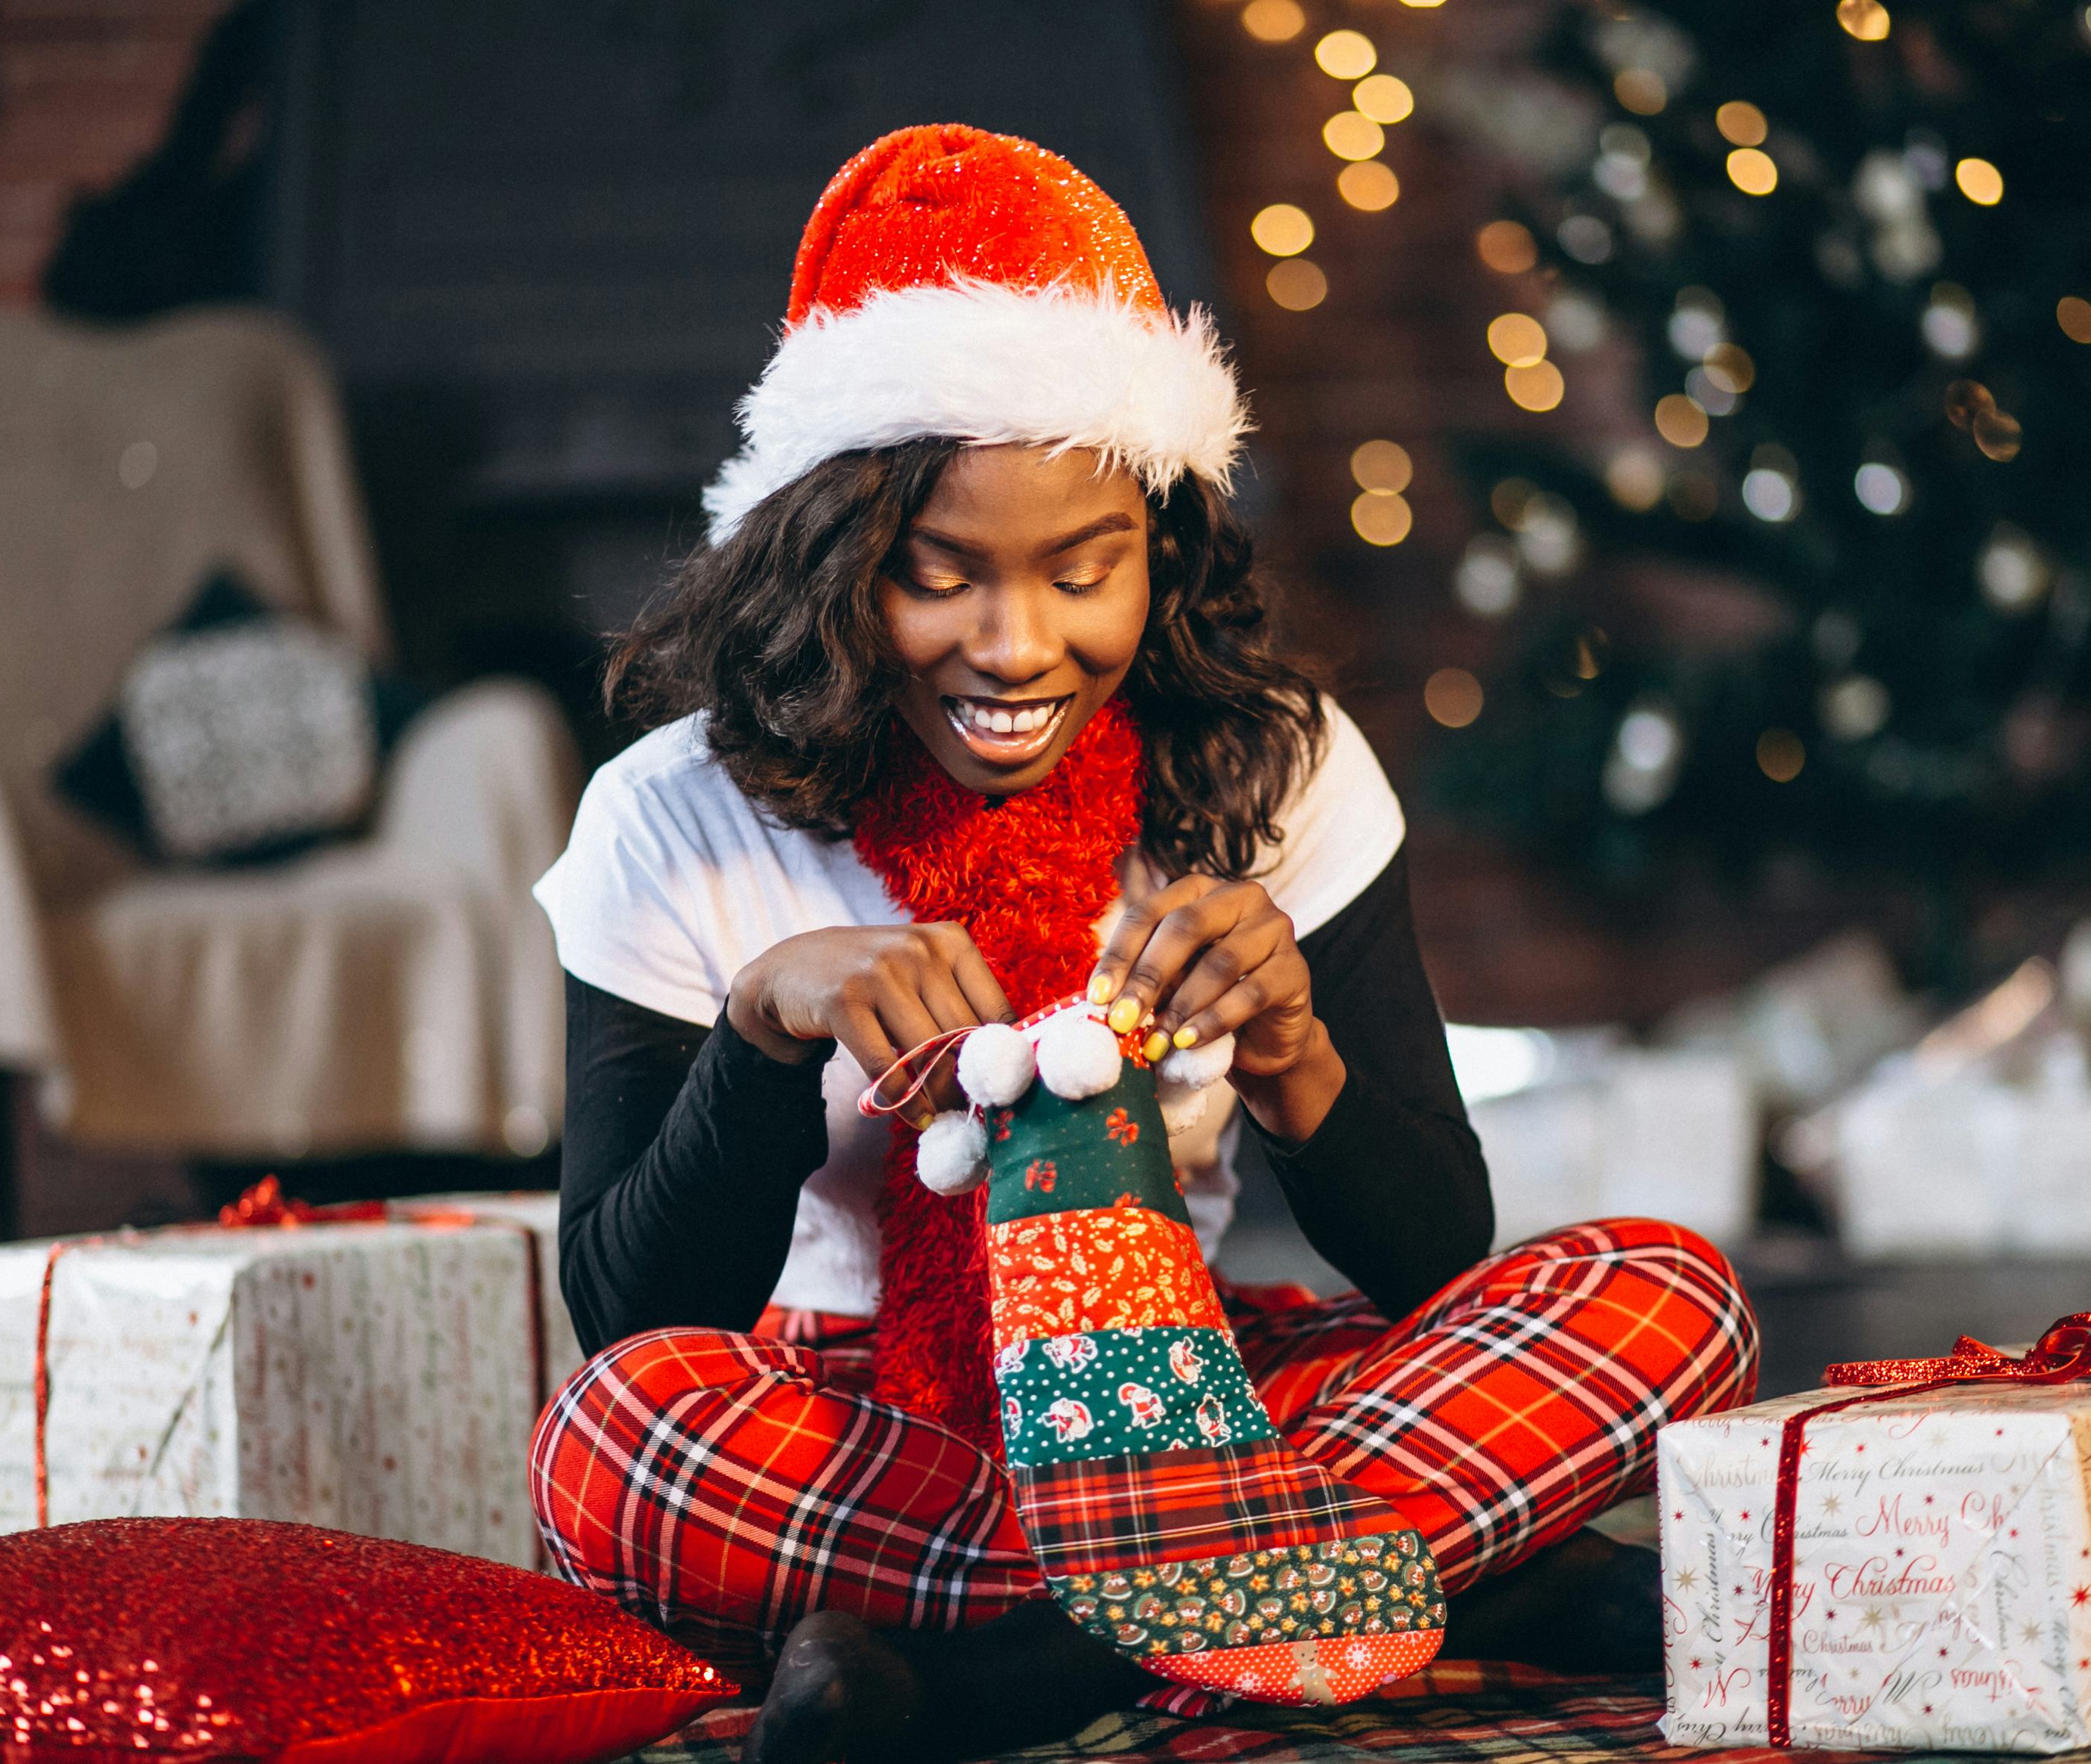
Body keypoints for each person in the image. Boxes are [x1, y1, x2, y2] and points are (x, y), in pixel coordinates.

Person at [528, 124, 1760, 1763]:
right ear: (829, 569)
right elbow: (628, 1314)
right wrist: (766, 1022)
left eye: (1082, 570)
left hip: (1194, 1381)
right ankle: (1380, 1588)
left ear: (1158, 553)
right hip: (853, 1415)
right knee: (612, 1446)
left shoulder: (1281, 763)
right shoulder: (669, 813)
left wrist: (1295, 1056)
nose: (1017, 646)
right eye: (939, 576)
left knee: (1666, 1297)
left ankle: (985, 1667)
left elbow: (1431, 1259)